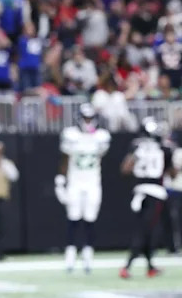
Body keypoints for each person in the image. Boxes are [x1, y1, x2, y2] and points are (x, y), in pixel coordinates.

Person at [55, 103, 111, 273]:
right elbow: (64, 159)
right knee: (73, 220)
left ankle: (88, 258)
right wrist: (60, 180)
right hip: (75, 182)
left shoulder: (101, 136)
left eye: (90, 118)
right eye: (85, 118)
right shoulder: (70, 135)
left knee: (89, 221)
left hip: (92, 182)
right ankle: (70, 258)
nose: (87, 121)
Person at [120, 118, 170, 278]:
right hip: (155, 193)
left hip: (139, 193)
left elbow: (125, 169)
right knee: (145, 231)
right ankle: (127, 266)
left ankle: (150, 266)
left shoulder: (136, 146)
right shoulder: (164, 148)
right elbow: (172, 172)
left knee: (146, 230)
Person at [162, 132, 182, 255]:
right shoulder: (163, 151)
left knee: (174, 218)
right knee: (165, 219)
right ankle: (169, 246)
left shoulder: (181, 152)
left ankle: (176, 247)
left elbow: (175, 172)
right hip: (165, 188)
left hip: (177, 188)